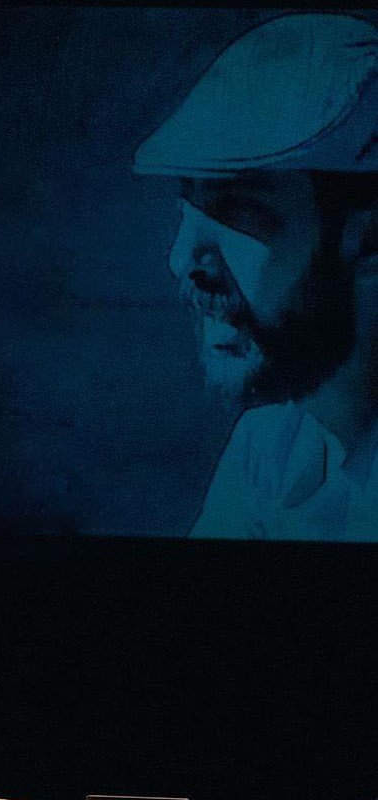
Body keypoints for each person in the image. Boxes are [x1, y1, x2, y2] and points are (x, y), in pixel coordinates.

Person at [134, 12, 378, 541]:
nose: (183, 259)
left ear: (369, 241)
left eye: (240, 211)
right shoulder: (272, 444)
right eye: (188, 212)